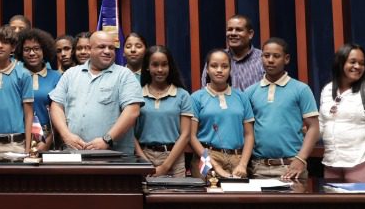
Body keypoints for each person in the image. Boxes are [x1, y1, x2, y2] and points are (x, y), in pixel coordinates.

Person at [49, 30, 143, 155]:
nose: (107, 51)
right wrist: (66, 135)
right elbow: (56, 106)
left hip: (114, 157)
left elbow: (132, 111)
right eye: (102, 47)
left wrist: (107, 139)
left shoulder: (125, 75)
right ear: (90, 49)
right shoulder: (71, 74)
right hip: (73, 153)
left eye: (111, 48)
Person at [318, 43, 365, 184]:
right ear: (340, 63)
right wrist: (307, 131)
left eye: (362, 63)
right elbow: (323, 124)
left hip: (362, 162)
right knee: (333, 206)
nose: (358, 66)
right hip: (331, 163)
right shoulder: (328, 90)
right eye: (352, 62)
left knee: (363, 206)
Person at [247, 38, 319, 180]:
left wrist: (301, 159)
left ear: (286, 59)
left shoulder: (301, 89)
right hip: (258, 167)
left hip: (291, 167)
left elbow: (314, 127)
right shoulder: (250, 92)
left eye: (276, 56)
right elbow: (246, 130)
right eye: (266, 56)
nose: (270, 60)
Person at [190, 48, 254, 178]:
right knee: (207, 196)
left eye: (224, 66)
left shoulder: (242, 97)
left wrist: (242, 164)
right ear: (207, 69)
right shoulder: (196, 97)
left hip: (238, 158)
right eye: (214, 66)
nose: (219, 70)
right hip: (206, 156)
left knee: (238, 198)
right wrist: (215, 166)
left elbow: (249, 135)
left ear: (230, 69)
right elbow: (191, 137)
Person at [136, 46, 195, 176]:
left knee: (174, 196)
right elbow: (131, 134)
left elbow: (185, 135)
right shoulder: (137, 94)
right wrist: (144, 162)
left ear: (170, 67)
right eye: (155, 65)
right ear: (147, 67)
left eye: (164, 65)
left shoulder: (182, 95)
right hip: (144, 157)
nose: (160, 69)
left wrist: (165, 166)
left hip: (174, 158)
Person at [0, 25, 34, 160]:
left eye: (5, 42)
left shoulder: (23, 75)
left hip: (16, 144)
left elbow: (28, 114)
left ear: (13, 48)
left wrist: (27, 148)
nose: (0, 46)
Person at [17, 27, 60, 150]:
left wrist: (49, 140)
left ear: (45, 51)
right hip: (20, 135)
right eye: (27, 49)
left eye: (36, 49)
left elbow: (61, 112)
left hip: (48, 135)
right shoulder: (16, 75)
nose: (31, 53)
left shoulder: (56, 77)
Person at [200, 15, 265, 90]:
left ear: (250, 34)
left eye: (238, 30)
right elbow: (205, 91)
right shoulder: (215, 58)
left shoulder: (263, 59)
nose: (233, 33)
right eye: (230, 29)